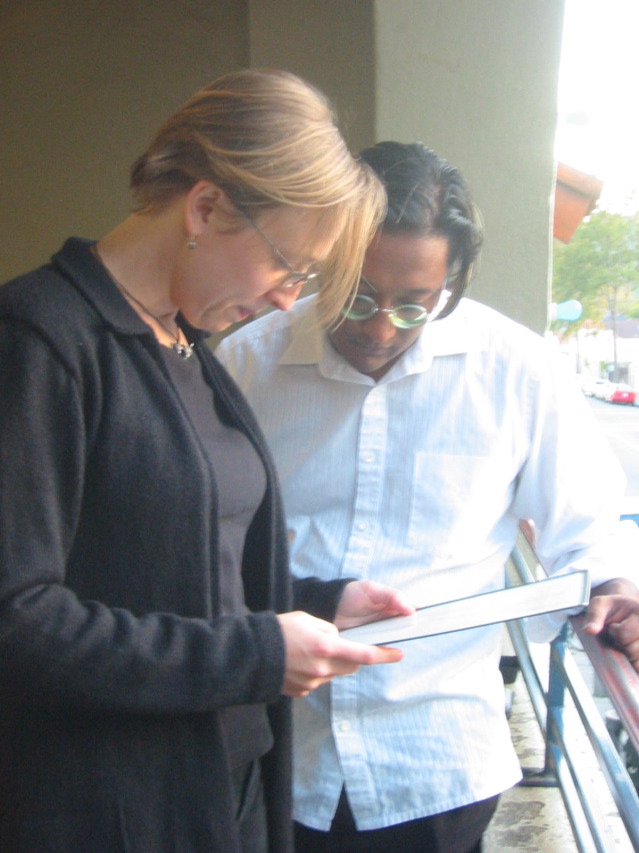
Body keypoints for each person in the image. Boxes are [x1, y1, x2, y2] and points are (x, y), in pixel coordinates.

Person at [0, 72, 416, 853]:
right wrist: (255, 655)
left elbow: (172, 565)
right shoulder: (40, 342)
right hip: (111, 810)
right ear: (206, 207)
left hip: (223, 785)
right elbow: (16, 618)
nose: (289, 299)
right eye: (290, 266)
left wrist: (317, 603)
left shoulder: (182, 342)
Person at [217, 140, 639, 853]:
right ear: (324, 256)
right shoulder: (245, 362)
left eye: (415, 306)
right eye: (357, 295)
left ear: (452, 282)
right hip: (278, 745)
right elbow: (208, 540)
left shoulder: (516, 369)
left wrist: (614, 583)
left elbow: (589, 522)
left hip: (437, 758)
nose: (381, 327)